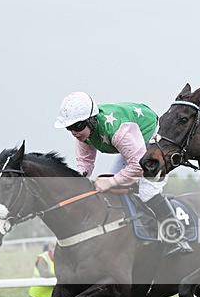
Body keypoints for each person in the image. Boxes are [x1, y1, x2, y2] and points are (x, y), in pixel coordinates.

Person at [54, 92, 192, 253]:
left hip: (150, 138)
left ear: (91, 120)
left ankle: (177, 238)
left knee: (147, 191)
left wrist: (111, 181)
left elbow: (139, 166)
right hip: (133, 144)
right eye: (69, 128)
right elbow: (85, 165)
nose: (74, 132)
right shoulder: (84, 135)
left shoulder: (118, 131)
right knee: (115, 189)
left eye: (78, 126)